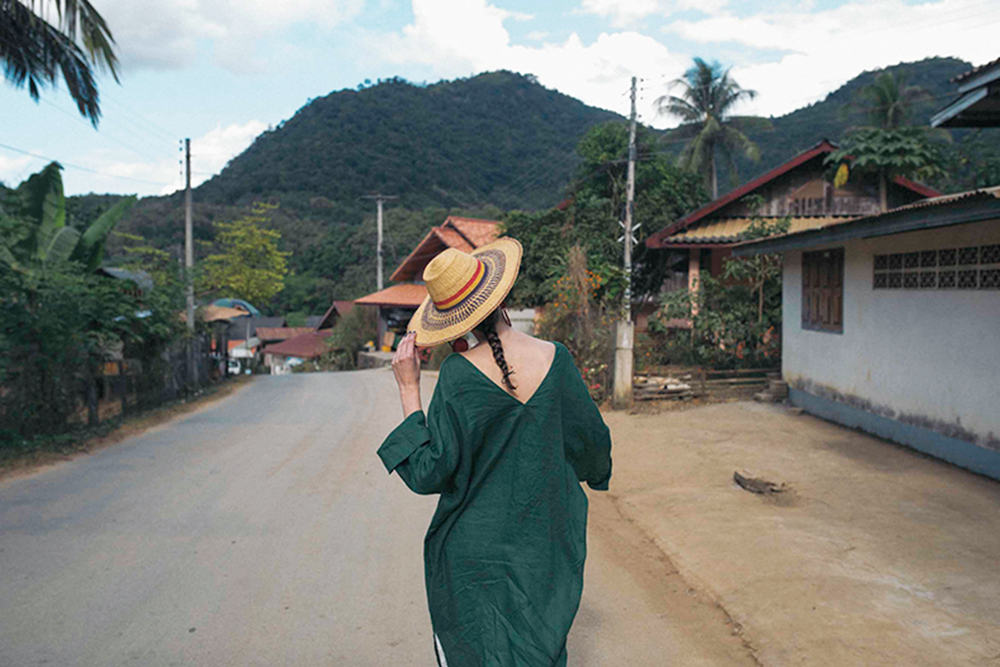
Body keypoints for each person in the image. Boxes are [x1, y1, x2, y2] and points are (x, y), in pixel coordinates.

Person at [377, 237, 613, 666]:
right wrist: (591, 474)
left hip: (472, 560)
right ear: (500, 296)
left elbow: (430, 472)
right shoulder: (556, 358)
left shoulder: (456, 375)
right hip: (542, 547)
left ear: (449, 321)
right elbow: (592, 445)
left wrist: (409, 387)